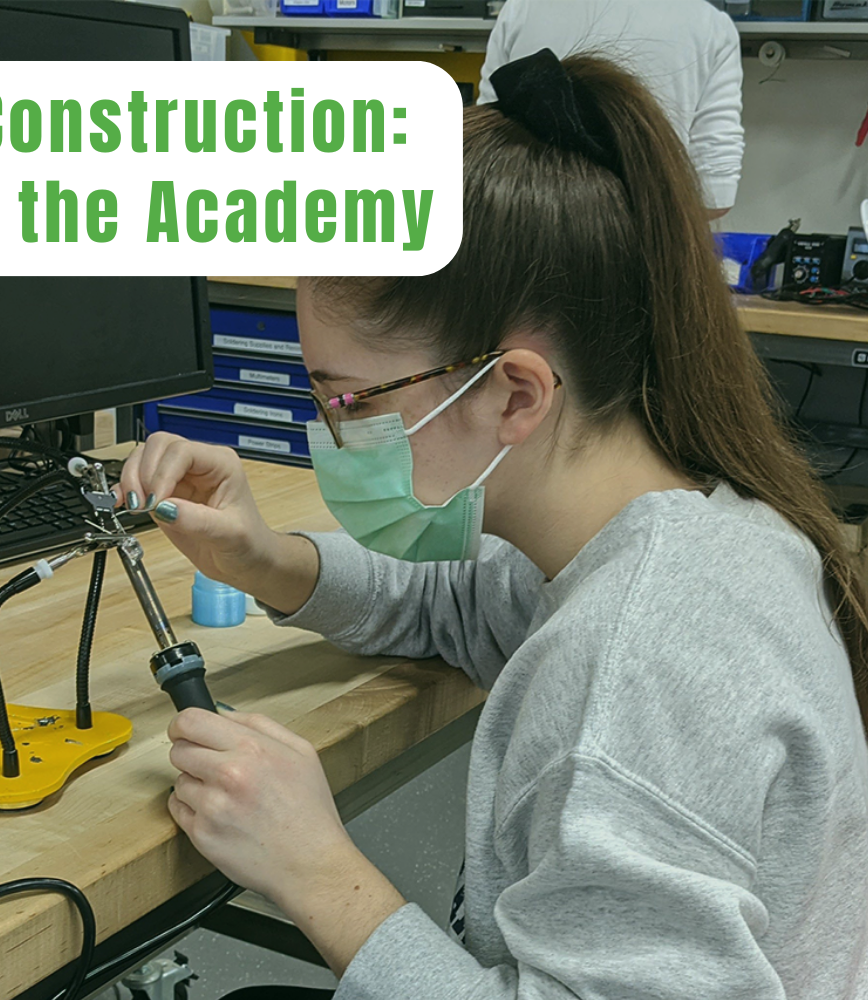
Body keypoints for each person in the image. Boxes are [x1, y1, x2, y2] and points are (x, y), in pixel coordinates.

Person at [118, 49, 868, 999]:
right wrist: (268, 560)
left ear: (514, 393)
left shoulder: (634, 666)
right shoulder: (687, 533)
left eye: (347, 398)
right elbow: (462, 601)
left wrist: (318, 872)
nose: (331, 435)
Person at [479, 0, 744, 216]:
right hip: (645, 255)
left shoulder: (521, 10)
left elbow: (484, 157)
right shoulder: (709, 25)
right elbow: (714, 196)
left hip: (522, 242)